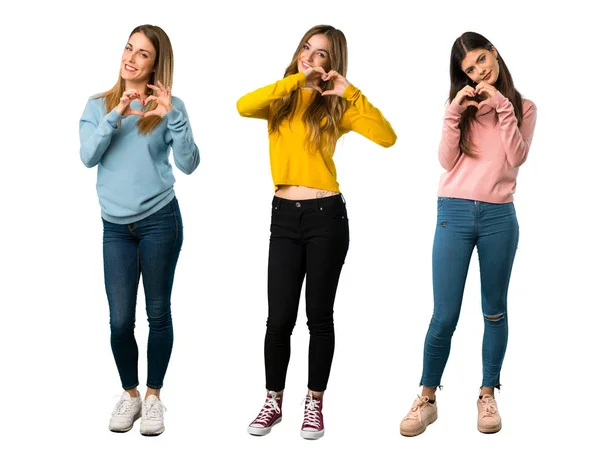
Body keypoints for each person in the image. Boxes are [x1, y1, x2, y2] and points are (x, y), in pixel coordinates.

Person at [237, 24, 396, 440]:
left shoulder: (335, 105)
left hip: (326, 217)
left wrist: (351, 92)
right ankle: (273, 401)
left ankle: (314, 404)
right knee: (278, 319)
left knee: (318, 318)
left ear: (332, 63)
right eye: (307, 48)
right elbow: (241, 105)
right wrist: (294, 79)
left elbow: (387, 137)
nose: (311, 56)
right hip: (284, 217)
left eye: (321, 53)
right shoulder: (280, 98)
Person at [399, 31, 537, 437]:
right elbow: (445, 160)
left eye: (481, 59)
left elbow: (517, 157)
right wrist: (454, 113)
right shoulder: (459, 106)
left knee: (494, 310)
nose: (479, 72)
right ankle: (426, 398)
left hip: (499, 218)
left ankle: (487, 394)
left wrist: (503, 108)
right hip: (454, 212)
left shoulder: (523, 107)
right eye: (469, 69)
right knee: (444, 315)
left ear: (493, 52)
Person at [79, 24, 200, 436]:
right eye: (129, 48)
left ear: (156, 64)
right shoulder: (98, 106)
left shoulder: (170, 106)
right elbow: (88, 156)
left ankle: (153, 398)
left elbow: (189, 163)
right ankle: (129, 396)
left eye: (142, 54)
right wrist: (116, 112)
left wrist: (174, 118)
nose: (130, 58)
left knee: (158, 312)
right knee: (118, 321)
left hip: (160, 220)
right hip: (114, 227)